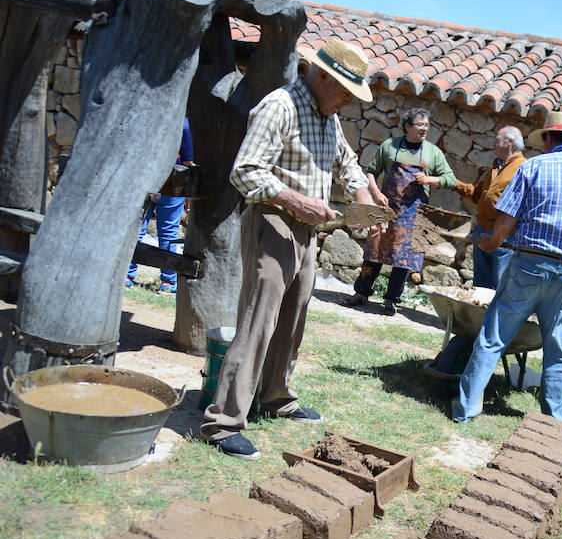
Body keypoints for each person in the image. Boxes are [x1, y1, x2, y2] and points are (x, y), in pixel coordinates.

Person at [200, 39, 380, 459]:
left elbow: (347, 162)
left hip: (307, 233)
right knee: (258, 319)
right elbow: (244, 173)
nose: (349, 103)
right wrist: (296, 200)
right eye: (345, 92)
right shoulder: (278, 106)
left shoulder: (327, 117)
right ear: (321, 76)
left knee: (293, 315)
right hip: (273, 222)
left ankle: (276, 397)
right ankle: (223, 422)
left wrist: (362, 196)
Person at [451, 111, 562, 423]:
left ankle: (465, 409)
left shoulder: (534, 167)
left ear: (548, 138)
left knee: (493, 337)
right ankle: (554, 415)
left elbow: (506, 220)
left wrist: (490, 243)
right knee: (559, 345)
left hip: (530, 264)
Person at [341, 108, 456, 315]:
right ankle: (361, 293)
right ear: (407, 126)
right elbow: (371, 172)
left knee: (404, 259)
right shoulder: (389, 146)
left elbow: (450, 178)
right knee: (374, 251)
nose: (424, 129)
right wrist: (375, 193)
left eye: (427, 125)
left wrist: (430, 179)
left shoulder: (433, 152)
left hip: (414, 212)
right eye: (420, 125)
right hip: (386, 207)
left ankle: (391, 300)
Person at [125, 117, 194, 294]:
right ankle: (168, 282)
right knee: (169, 233)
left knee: (136, 229)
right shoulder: (183, 122)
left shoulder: (144, 116)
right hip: (173, 181)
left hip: (143, 178)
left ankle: (126, 275)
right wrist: (189, 191)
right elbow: (187, 162)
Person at [455, 126, 526, 289]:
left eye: (497, 140)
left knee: (500, 284)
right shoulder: (496, 168)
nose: (493, 144)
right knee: (481, 284)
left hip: (505, 235)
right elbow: (477, 195)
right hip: (483, 230)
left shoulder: (523, 168)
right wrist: (452, 182)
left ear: (509, 142)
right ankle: (480, 314)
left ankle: (497, 315)